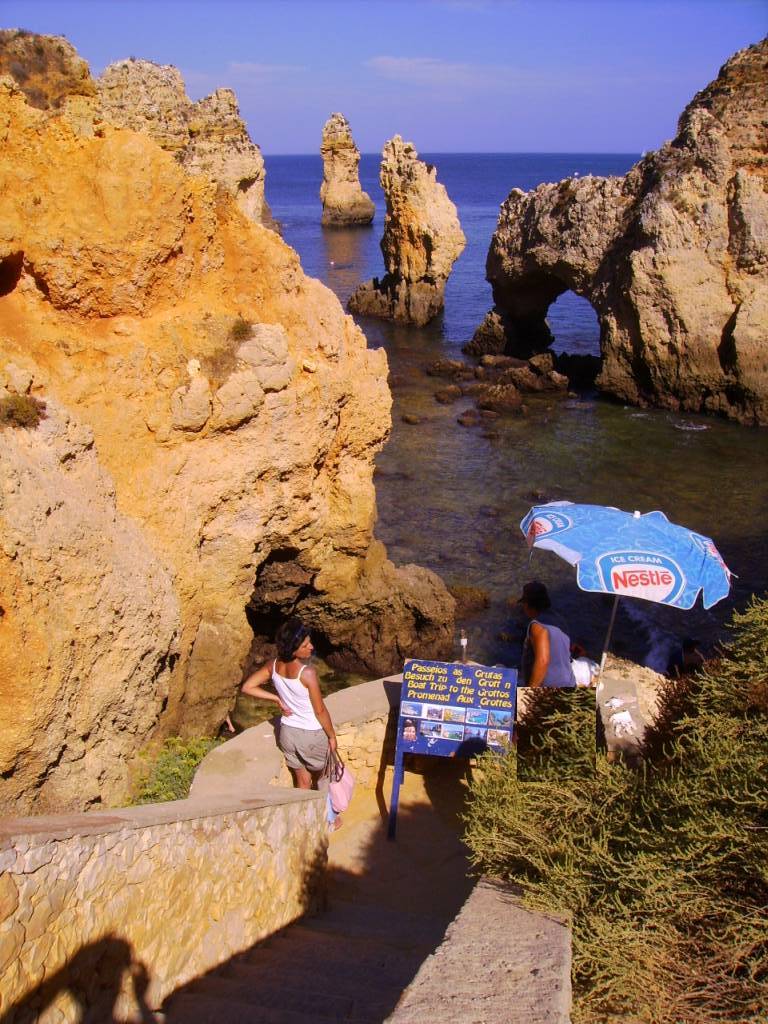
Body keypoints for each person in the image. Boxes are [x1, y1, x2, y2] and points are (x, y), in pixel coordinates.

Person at [241, 618, 338, 792]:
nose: (311, 647)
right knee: (325, 779)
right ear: (293, 650)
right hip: (311, 735)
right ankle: (330, 818)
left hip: (288, 734)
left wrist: (277, 699)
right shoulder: (307, 673)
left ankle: (305, 818)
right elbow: (320, 710)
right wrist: (331, 736)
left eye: (309, 643)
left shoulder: (273, 665)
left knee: (302, 782)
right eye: (305, 646)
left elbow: (247, 687)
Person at [518, 580, 577, 688]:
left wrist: (529, 692)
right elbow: (569, 649)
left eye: (524, 603)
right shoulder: (559, 620)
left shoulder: (537, 626)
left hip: (549, 689)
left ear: (528, 604)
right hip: (569, 683)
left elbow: (543, 661)